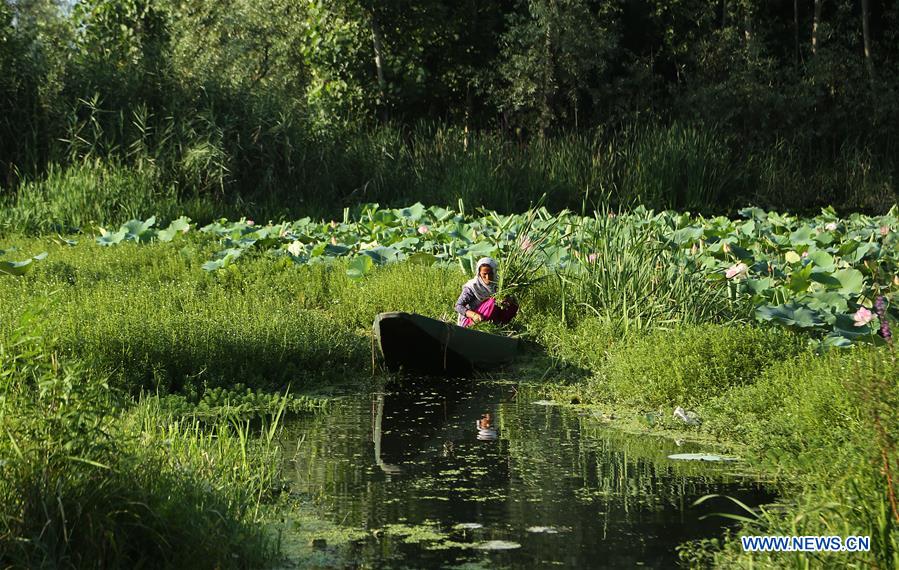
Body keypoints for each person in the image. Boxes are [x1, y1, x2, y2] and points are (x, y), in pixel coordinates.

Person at [454, 257, 518, 328]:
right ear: (479, 273)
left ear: (494, 272)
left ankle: (500, 326)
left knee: (512, 304)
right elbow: (458, 306)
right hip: (472, 321)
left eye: (490, 274)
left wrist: (507, 301)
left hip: (492, 317)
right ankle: (477, 327)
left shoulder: (499, 284)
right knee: (493, 301)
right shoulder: (473, 286)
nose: (487, 277)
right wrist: (474, 315)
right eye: (484, 274)